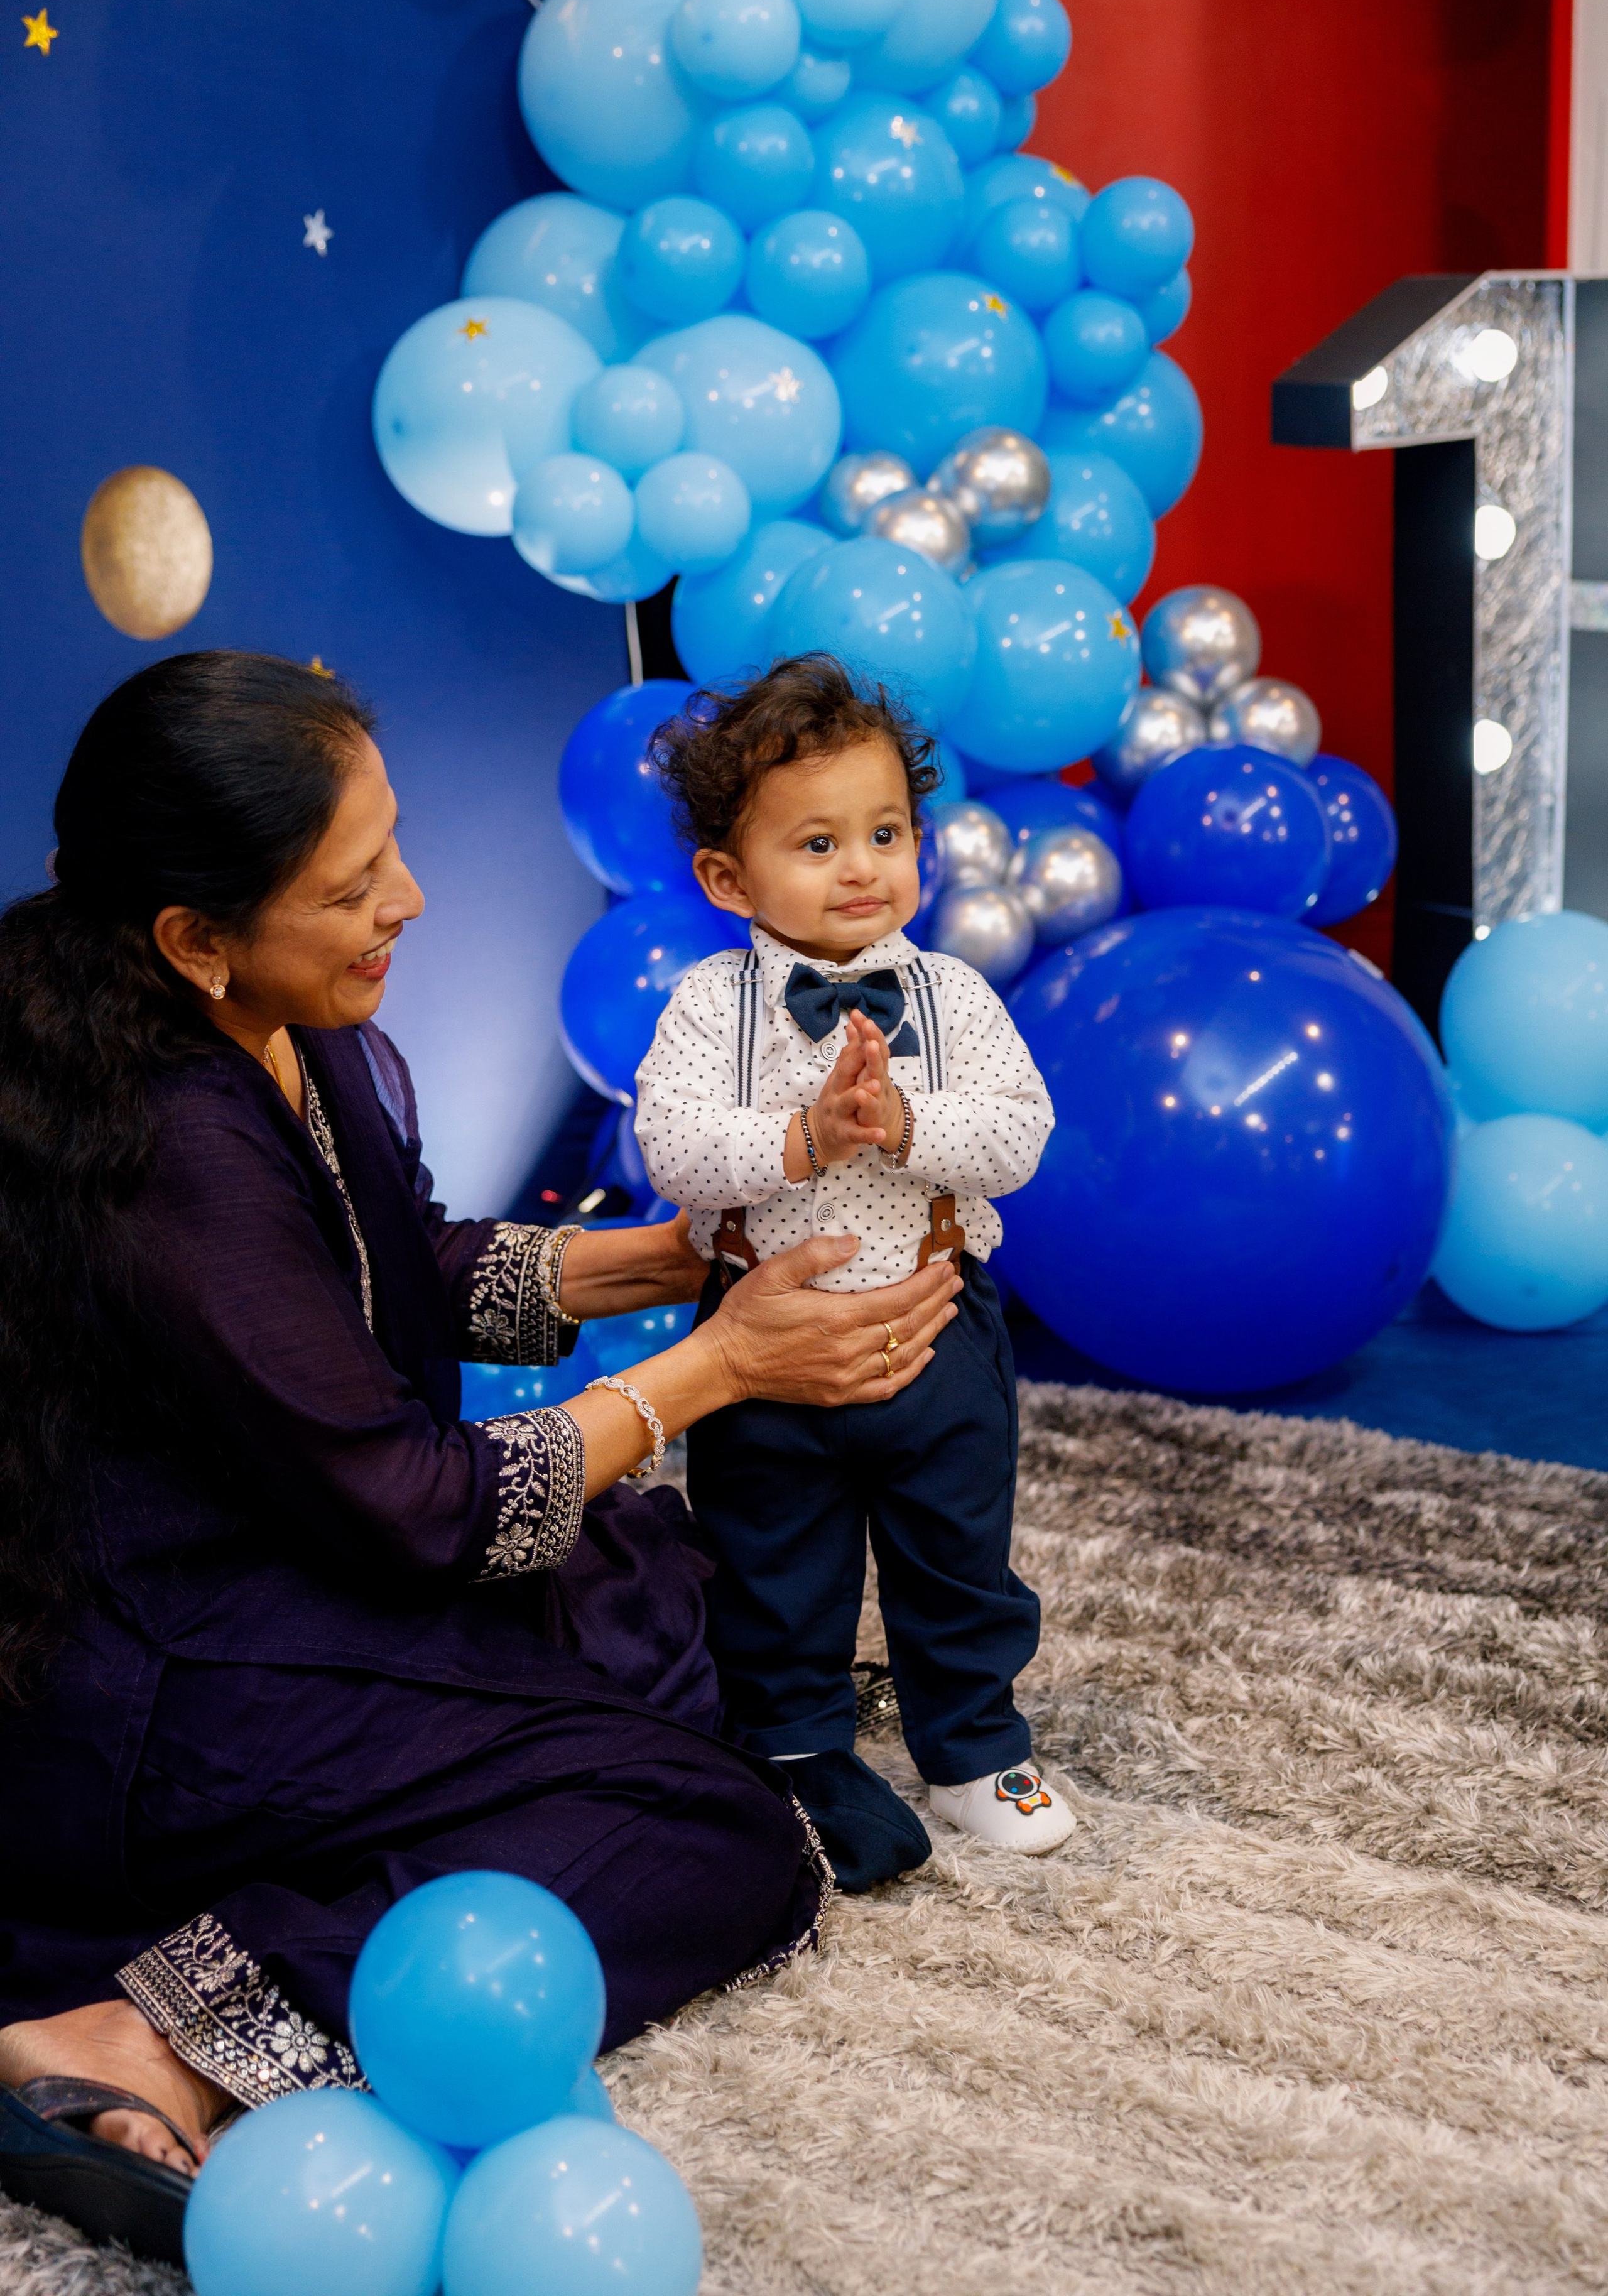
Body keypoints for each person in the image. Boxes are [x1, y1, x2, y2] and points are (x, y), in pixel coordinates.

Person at [0, 650, 959, 2265]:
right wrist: (715, 1371)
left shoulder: (279, 1029)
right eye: (357, 883)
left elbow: (409, 1271)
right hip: (173, 1682)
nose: (413, 900)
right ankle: (134, 2033)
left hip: (296, 1554)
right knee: (715, 1837)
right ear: (194, 938)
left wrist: (676, 1258)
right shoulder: (167, 1143)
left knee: (677, 1599)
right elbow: (424, 1506)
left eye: (394, 850)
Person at [634, 656, 1075, 1889]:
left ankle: (972, 1745)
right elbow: (668, 1145)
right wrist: (804, 1136)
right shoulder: (706, 1005)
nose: (861, 867)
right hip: (764, 1354)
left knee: (958, 1553)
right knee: (770, 1560)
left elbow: (1019, 1140)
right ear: (728, 879)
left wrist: (902, 1124)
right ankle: (791, 1743)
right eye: (816, 842)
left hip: (937, 1334)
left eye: (885, 833)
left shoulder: (952, 996)